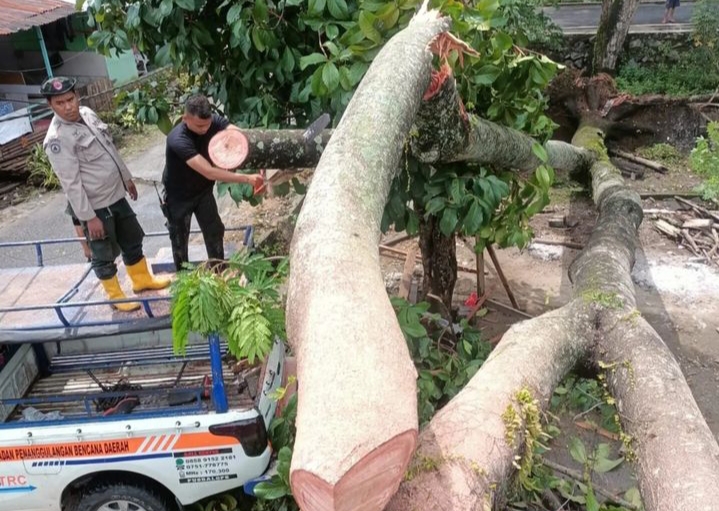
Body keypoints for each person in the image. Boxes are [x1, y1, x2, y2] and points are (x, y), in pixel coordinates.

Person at [41, 76, 170, 312]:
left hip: (116, 195)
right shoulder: (57, 139)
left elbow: (109, 148)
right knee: (103, 253)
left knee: (132, 239)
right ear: (51, 105)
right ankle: (115, 297)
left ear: (77, 96)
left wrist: (126, 178)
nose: (68, 106)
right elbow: (71, 184)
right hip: (95, 206)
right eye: (60, 103)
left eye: (70, 99)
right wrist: (89, 218)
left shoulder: (87, 114)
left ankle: (141, 281)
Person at [163, 94, 262, 271]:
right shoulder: (177, 139)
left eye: (208, 124)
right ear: (186, 118)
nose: (205, 129)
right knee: (179, 240)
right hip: (179, 197)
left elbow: (236, 133)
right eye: (200, 125)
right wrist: (247, 179)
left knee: (214, 230)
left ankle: (219, 271)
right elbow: (208, 171)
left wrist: (256, 151)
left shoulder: (211, 121)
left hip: (202, 192)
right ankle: (184, 280)